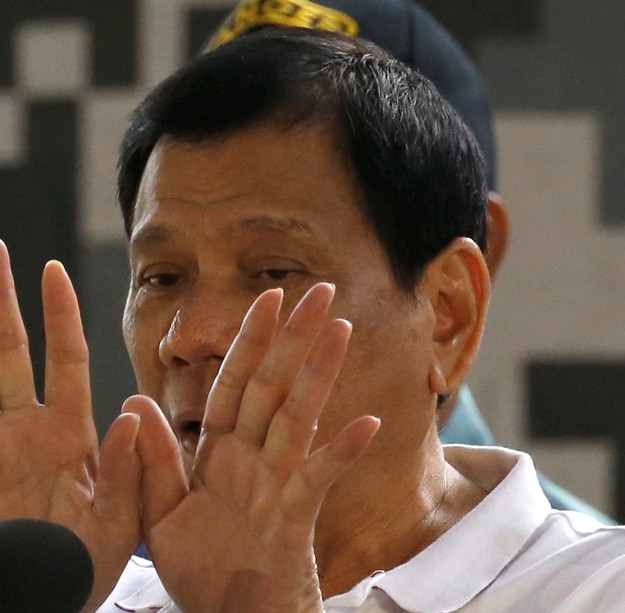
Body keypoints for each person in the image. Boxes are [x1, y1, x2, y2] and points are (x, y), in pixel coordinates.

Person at [0, 29, 625, 613]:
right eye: (161, 277)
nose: (188, 336)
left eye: (272, 272)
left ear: (446, 311)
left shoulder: (591, 600)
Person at [206, 0, 613, 523]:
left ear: (456, 289)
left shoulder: (584, 591)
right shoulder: (101, 575)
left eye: (277, 270)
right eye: (166, 273)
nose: (199, 334)